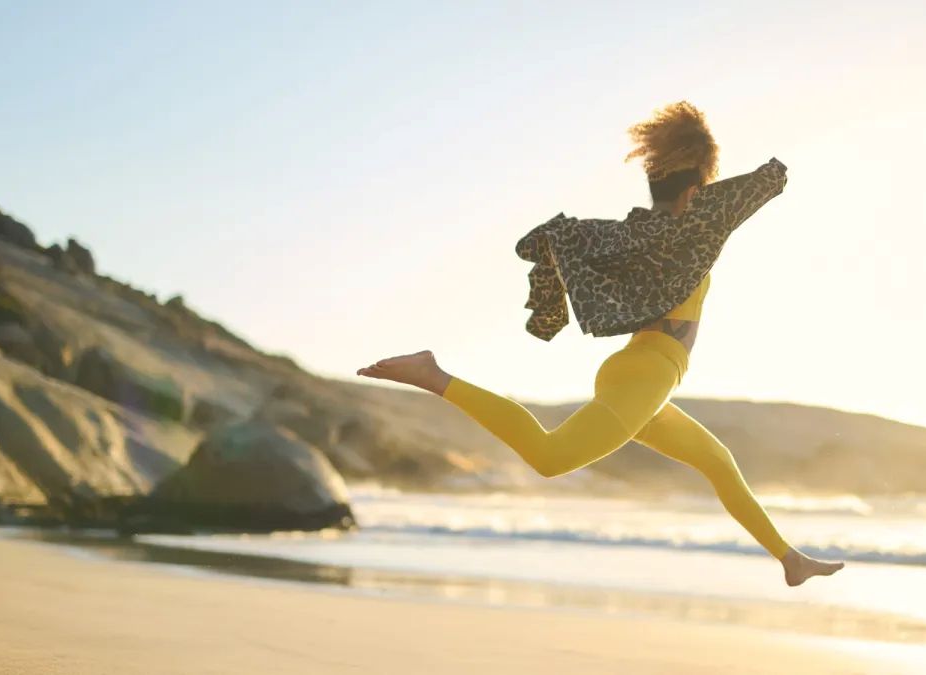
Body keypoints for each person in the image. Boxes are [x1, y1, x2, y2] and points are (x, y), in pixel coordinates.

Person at [358, 102, 844, 587]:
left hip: (639, 374)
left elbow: (547, 240)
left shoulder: (628, 234)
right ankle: (434, 376)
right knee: (549, 458)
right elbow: (769, 181)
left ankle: (789, 559)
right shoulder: (699, 224)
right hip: (650, 374)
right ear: (696, 190)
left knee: (717, 461)